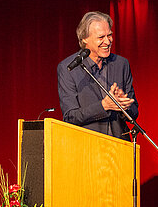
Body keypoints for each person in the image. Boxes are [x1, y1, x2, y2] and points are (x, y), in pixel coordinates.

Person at [57, 11, 138, 141]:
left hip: (120, 146)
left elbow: (134, 112)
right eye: (101, 37)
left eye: (110, 35)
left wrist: (124, 106)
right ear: (85, 39)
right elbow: (70, 117)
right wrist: (104, 106)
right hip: (87, 146)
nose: (107, 41)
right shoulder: (69, 68)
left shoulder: (121, 64)